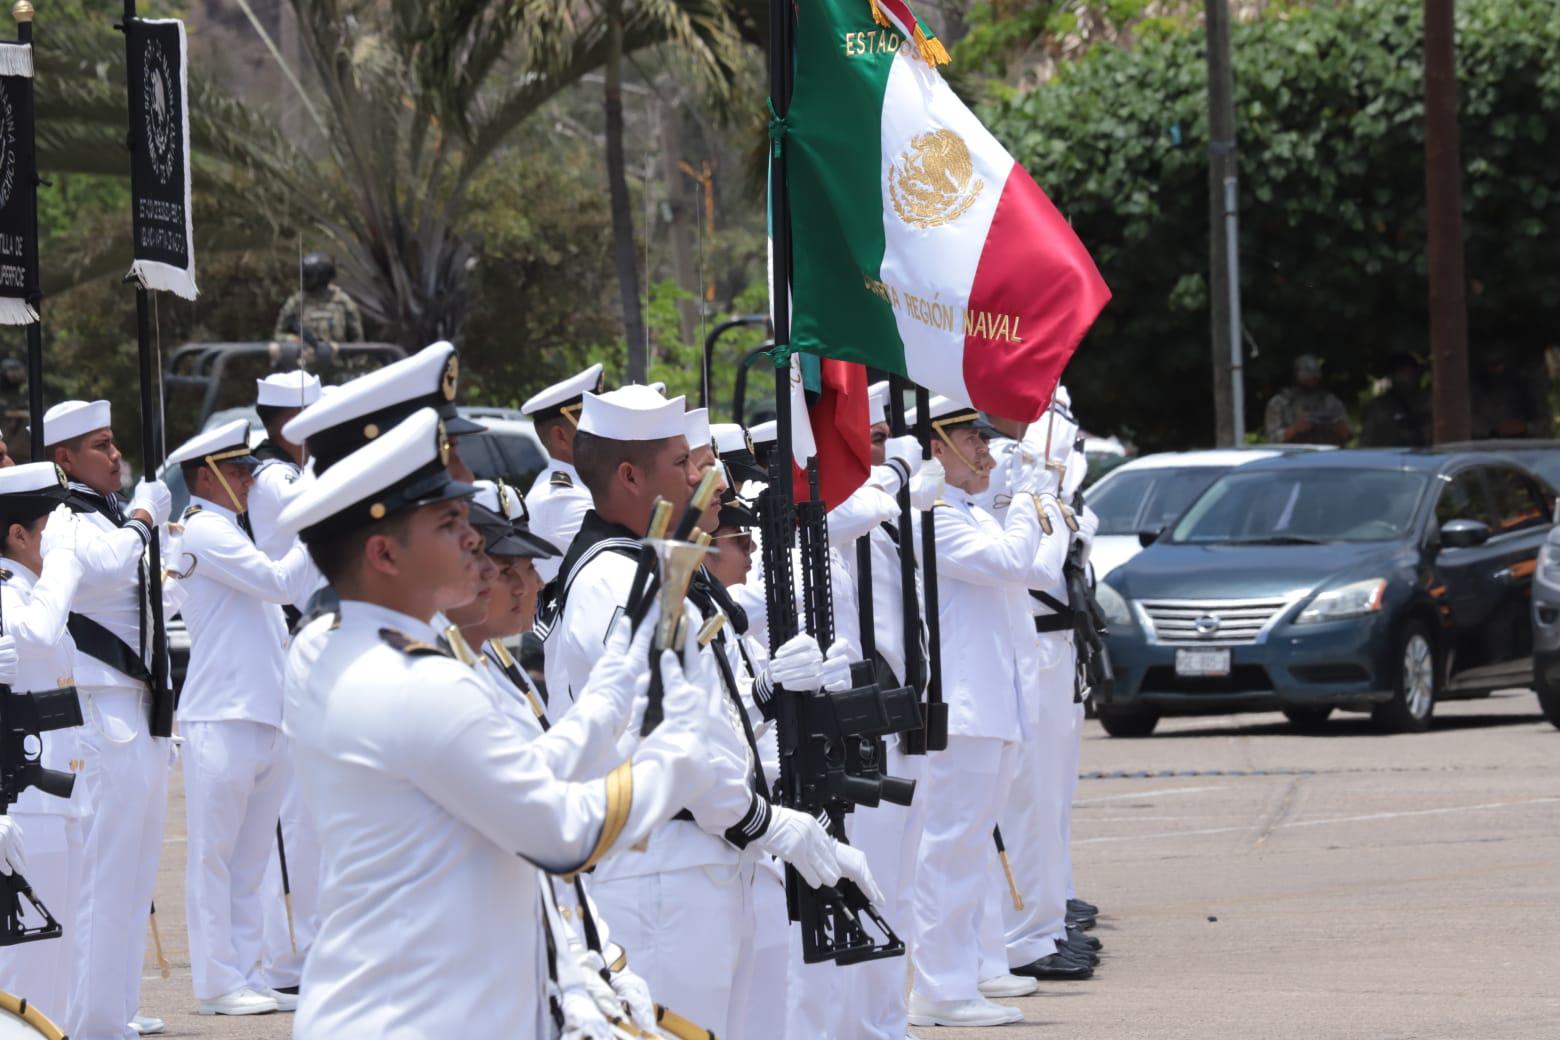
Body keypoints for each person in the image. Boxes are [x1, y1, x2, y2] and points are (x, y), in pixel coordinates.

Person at [274, 406, 724, 1038]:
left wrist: (620, 676)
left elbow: (521, 773)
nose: (471, 539)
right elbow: (560, 834)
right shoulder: (415, 681)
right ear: (383, 552)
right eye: (449, 522)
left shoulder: (345, 645)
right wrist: (680, 752)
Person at [543, 384, 880, 1037]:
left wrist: (766, 693)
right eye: (686, 464)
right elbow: (672, 735)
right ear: (631, 476)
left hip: (701, 856)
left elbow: (704, 709)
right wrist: (767, 824)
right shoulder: (618, 581)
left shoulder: (656, 568)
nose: (708, 478)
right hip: (660, 868)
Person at [906, 395, 1069, 1030]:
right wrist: (1030, 506)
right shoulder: (935, 517)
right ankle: (940, 988)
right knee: (949, 851)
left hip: (993, 703)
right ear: (936, 447)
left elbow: (1028, 568)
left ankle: (966, 972)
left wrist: (1032, 514)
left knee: (968, 850)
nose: (987, 449)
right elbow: (1011, 561)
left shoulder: (970, 511)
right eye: (971, 439)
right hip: (962, 705)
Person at [164, 420, 320, 1017]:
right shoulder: (206, 528)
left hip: (260, 711)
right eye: (237, 472)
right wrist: (318, 523)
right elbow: (281, 585)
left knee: (250, 861)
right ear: (207, 478)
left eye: (249, 472)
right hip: (222, 712)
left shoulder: (232, 530)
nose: (250, 482)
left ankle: (247, 972)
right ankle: (216, 982)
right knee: (215, 857)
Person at [41, 399, 175, 1040]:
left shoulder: (112, 516)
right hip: (100, 712)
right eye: (99, 445)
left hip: (140, 710)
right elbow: (108, 566)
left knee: (135, 874)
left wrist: (152, 531)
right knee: (102, 878)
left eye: (114, 441)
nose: (115, 453)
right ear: (64, 459)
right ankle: (92, 1022)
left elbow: (151, 590)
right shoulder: (67, 518)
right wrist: (149, 520)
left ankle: (116, 1008)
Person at [977, 392, 1102, 992]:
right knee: (1024, 796)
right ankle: (1027, 931)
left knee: (1049, 791)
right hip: (1025, 641)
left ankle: (1047, 917)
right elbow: (1038, 566)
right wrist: (1048, 499)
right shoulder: (1003, 470)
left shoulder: (1024, 470)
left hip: (1051, 642)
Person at [0, 465, 85, 1026]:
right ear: (18, 535)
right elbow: (35, 636)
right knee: (28, 976)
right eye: (48, 525)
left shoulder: (29, 592)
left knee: (56, 966)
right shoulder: (12, 595)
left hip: (53, 801)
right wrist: (63, 564)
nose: (58, 538)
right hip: (23, 807)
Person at [521, 363, 604, 584]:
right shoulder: (560, 497)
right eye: (591, 423)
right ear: (561, 437)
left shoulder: (583, 486)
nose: (605, 433)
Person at [273, 252, 363, 344]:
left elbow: (357, 341)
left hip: (336, 357)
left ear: (323, 276)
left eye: (308, 276)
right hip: (305, 356)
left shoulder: (343, 302)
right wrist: (293, 340)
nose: (304, 280)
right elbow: (278, 335)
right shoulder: (296, 302)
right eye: (304, 276)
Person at [1263, 354, 1353, 446]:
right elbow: (1272, 439)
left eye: (1314, 379)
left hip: (1326, 455)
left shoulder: (1331, 401)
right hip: (1293, 456)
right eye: (1306, 379)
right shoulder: (1280, 403)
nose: (1311, 382)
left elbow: (1349, 435)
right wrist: (1294, 429)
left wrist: (1336, 426)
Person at [1470, 345, 1552, 439]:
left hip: (1524, 445)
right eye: (1490, 363)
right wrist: (1494, 429)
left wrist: (1525, 427)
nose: (1495, 369)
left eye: (1498, 362)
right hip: (1485, 445)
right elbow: (1466, 422)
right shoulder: (1476, 388)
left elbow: (1544, 422)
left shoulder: (1524, 387)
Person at [1359, 353, 1432, 448]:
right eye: (1402, 373)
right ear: (1393, 375)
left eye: (1410, 373)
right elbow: (1368, 443)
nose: (1407, 377)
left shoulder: (1429, 401)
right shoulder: (1379, 406)